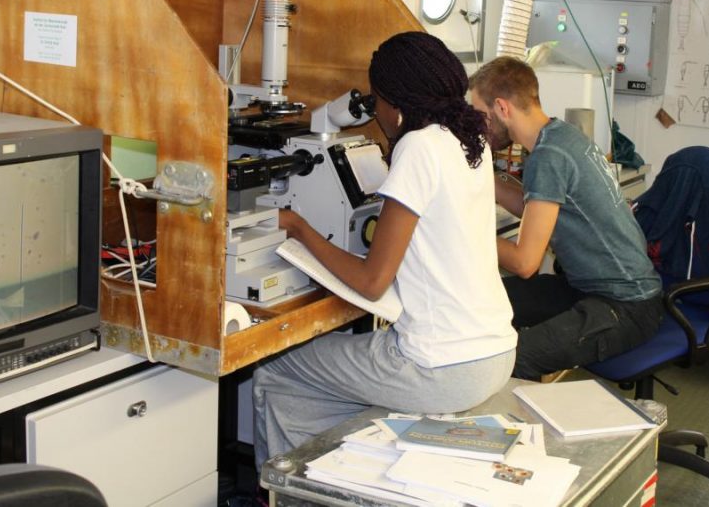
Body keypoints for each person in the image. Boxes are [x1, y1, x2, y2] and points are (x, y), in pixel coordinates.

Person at [253, 32, 517, 470]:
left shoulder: (417, 147)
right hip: (496, 353)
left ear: (397, 102)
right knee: (339, 377)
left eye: (377, 100)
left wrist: (298, 228)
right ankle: (341, 473)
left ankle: (291, 491)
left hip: (441, 368)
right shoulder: (470, 142)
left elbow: (372, 284)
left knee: (277, 370)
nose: (375, 111)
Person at [468, 56, 663, 381]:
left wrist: (467, 233)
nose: (478, 126)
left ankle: (516, 431)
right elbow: (535, 206)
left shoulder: (548, 157)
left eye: (480, 115)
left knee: (513, 359)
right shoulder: (561, 136)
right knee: (485, 301)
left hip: (627, 306)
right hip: (589, 287)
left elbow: (525, 263)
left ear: (502, 109)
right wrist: (483, 177)